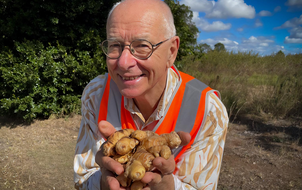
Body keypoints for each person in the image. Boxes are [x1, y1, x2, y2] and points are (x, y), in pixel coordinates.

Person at [73, 0, 229, 189]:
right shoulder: (96, 95)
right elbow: (82, 179)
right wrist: (101, 182)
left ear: (171, 51)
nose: (123, 62)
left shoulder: (207, 109)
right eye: (115, 45)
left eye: (142, 46)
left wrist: (170, 187)